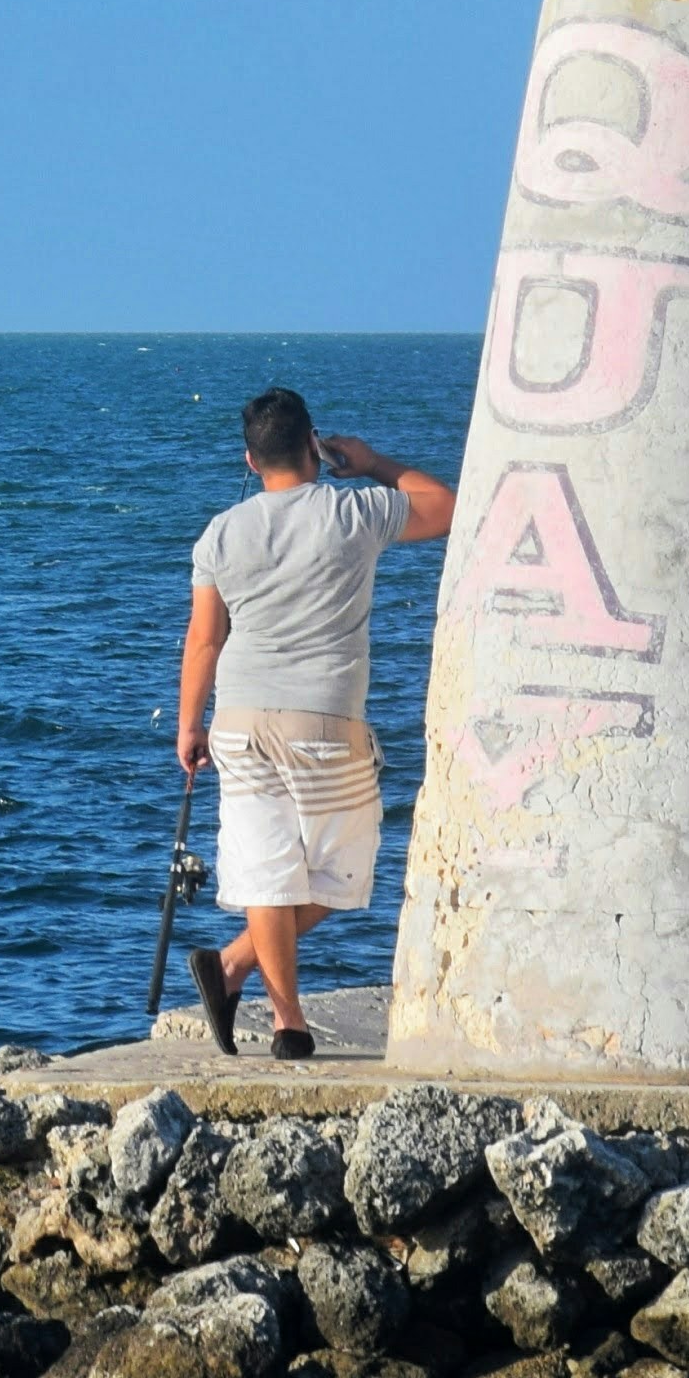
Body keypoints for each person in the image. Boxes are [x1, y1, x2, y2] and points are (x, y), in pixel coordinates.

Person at [174, 388, 451, 1058]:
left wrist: (190, 724)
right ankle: (264, 997)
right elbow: (445, 508)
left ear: (249, 457)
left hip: (239, 721)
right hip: (324, 722)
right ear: (314, 444)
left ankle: (267, 1000)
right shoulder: (351, 510)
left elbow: (204, 638)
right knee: (343, 871)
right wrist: (373, 460)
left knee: (268, 872)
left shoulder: (221, 531)